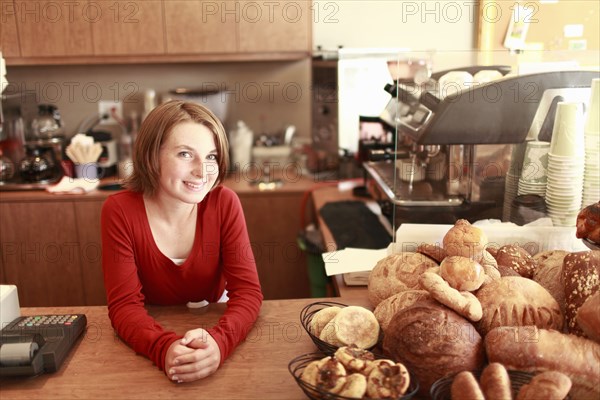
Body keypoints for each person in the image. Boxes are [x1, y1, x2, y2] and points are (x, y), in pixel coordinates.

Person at [101, 100, 263, 383]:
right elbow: (124, 307)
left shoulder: (224, 203)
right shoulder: (119, 211)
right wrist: (163, 348)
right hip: (150, 328)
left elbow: (248, 293)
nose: (203, 172)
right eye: (186, 154)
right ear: (152, 156)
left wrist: (219, 342)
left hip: (213, 322)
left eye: (211, 156)